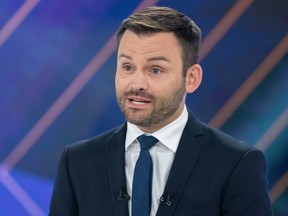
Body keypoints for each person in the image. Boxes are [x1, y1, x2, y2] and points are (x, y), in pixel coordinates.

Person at [49, 6, 273, 216]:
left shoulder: (236, 164)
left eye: (155, 70)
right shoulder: (77, 162)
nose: (137, 84)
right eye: (127, 67)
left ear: (191, 78)